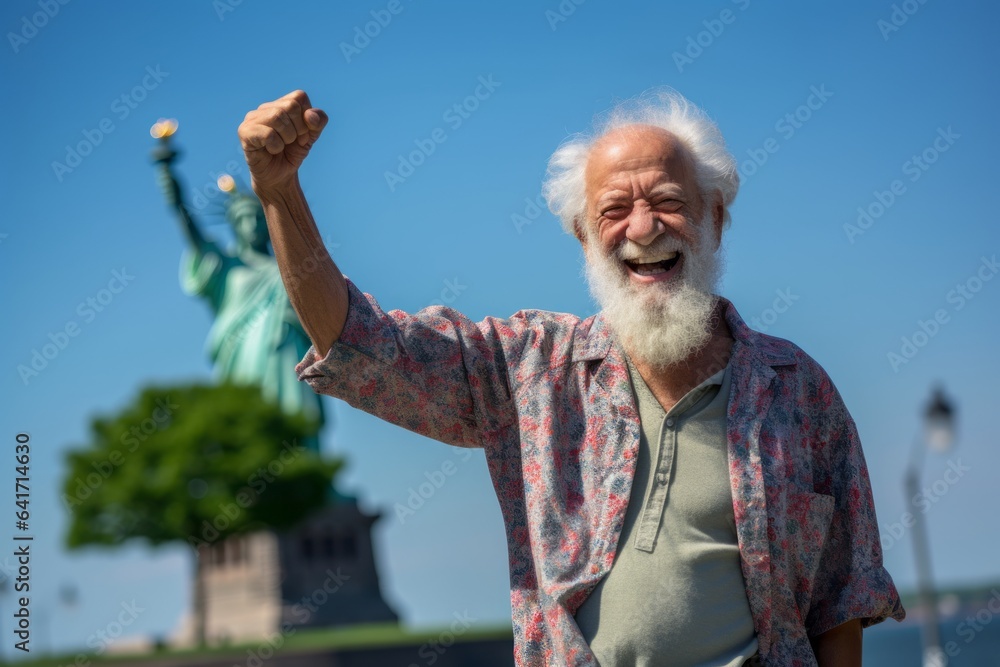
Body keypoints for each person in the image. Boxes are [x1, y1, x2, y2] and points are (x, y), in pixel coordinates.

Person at [237, 88, 904, 666]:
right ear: (584, 237)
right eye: (613, 211)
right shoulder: (527, 369)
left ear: (715, 219)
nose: (642, 228)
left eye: (668, 201)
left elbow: (841, 597)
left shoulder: (798, 389)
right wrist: (280, 195)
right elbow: (357, 339)